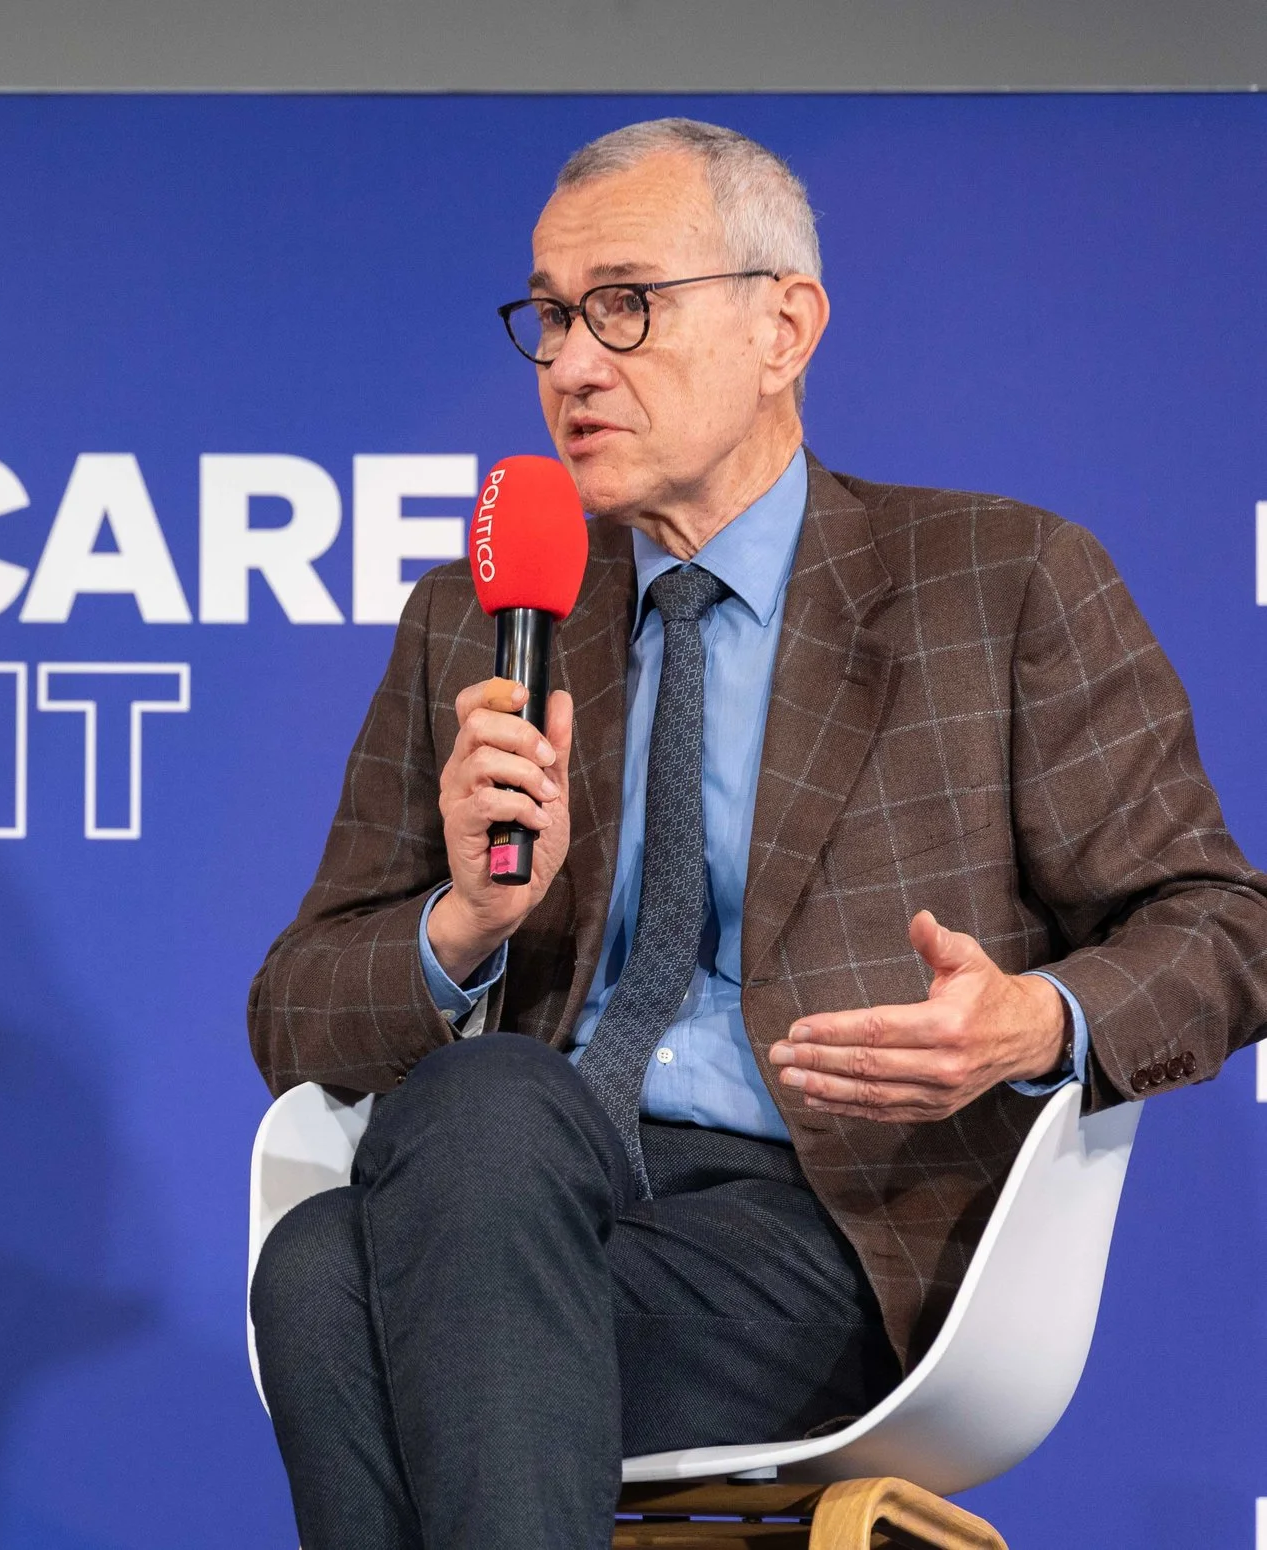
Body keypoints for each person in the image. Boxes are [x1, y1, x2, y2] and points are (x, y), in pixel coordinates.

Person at [244, 116, 1267, 1549]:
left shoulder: (1001, 580)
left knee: (338, 1263)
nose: (570, 364)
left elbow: (1225, 926)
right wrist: (461, 927)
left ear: (784, 324)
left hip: (828, 1229)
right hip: (521, 1197)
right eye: (548, 316)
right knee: (406, 1185)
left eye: (626, 306)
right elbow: (292, 1008)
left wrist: (1031, 1021)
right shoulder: (474, 624)